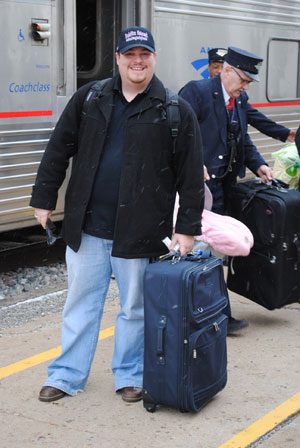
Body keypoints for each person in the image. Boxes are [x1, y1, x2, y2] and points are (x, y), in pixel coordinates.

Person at [30, 26, 204, 403]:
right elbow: (59, 147)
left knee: (135, 309)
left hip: (141, 230)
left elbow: (191, 175)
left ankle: (129, 374)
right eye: (130, 55)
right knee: (80, 304)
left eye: (144, 55)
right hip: (88, 226)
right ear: (118, 58)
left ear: (154, 58)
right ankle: (66, 375)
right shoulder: (91, 97)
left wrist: (187, 229)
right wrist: (43, 198)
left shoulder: (174, 109)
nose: (137, 62)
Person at [180, 46, 275, 334]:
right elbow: (176, 134)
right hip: (199, 189)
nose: (246, 88)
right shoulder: (196, 92)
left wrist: (258, 164)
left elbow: (242, 138)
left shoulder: (238, 98)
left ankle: (217, 315)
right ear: (227, 71)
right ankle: (199, 316)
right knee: (198, 251)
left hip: (224, 186)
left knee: (216, 253)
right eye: (244, 80)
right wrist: (193, 163)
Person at [208, 48, 296, 143]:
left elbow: (257, 119)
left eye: (222, 67)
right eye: (216, 67)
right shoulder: (199, 92)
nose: (220, 71)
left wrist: (286, 134)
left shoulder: (240, 96)